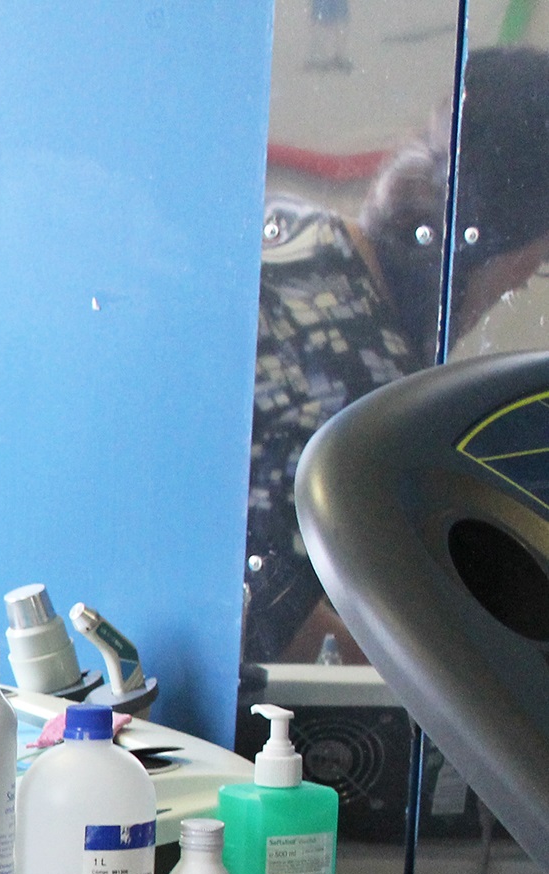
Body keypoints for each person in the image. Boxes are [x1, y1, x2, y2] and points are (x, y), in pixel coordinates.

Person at [247, 45, 549, 665]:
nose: (522, 283)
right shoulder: (365, 389)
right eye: (537, 262)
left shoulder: (299, 230)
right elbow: (272, 620)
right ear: (507, 240)